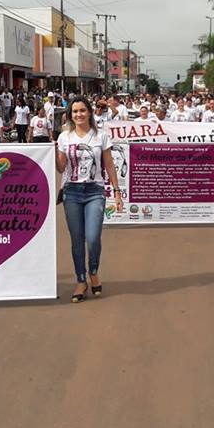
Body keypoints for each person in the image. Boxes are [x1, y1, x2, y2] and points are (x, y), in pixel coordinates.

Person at [55, 97, 124, 303]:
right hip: (72, 192)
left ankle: (93, 271)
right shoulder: (64, 137)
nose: (79, 115)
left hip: (95, 190)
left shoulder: (100, 136)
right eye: (75, 111)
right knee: (77, 240)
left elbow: (109, 165)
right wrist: (55, 152)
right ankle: (81, 280)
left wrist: (118, 192)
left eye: (82, 110)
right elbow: (61, 168)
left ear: (89, 112)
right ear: (70, 115)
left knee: (92, 238)